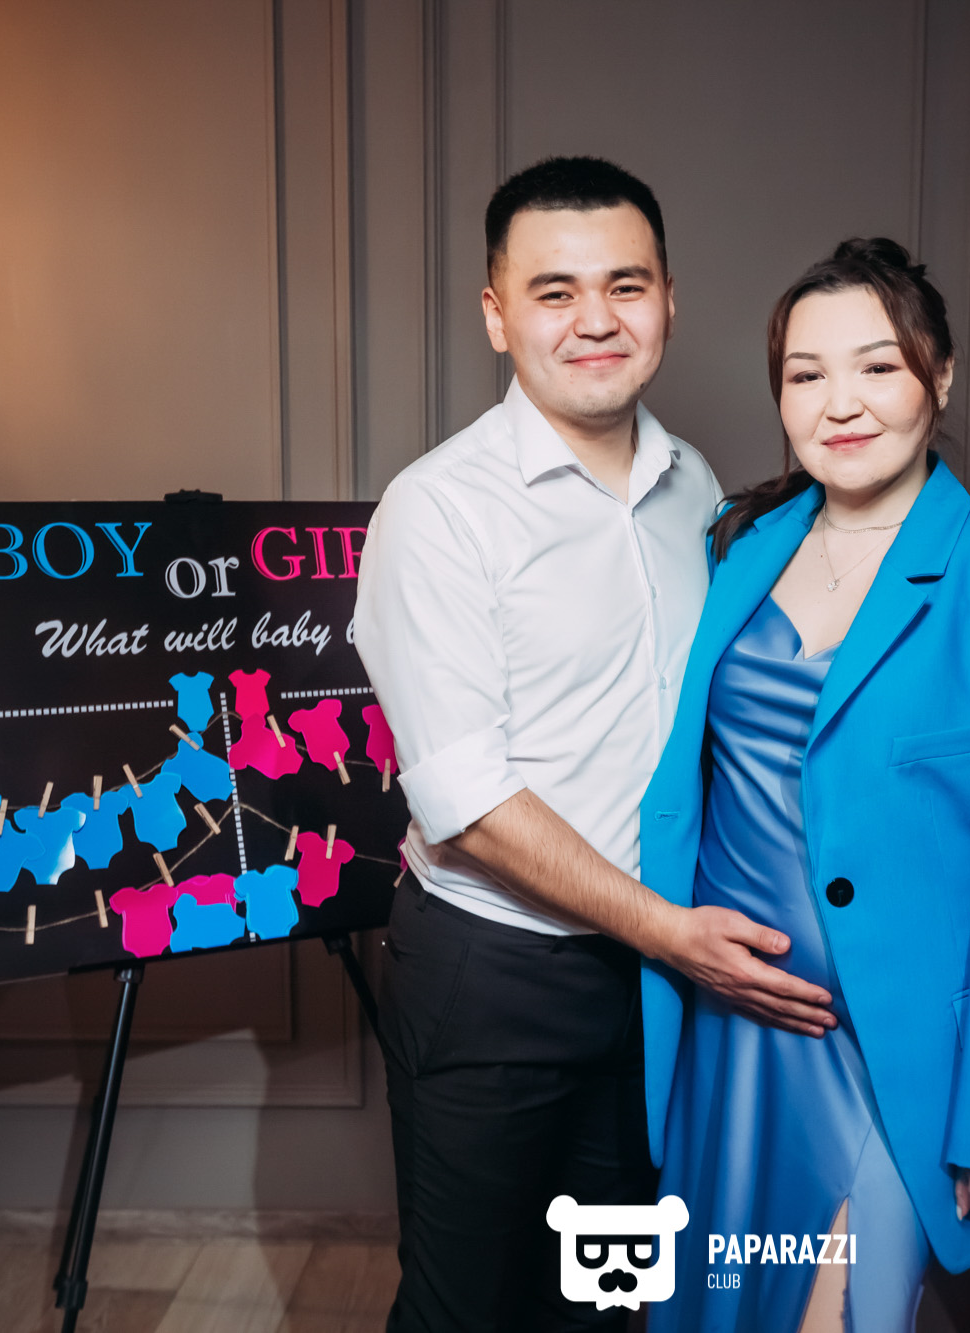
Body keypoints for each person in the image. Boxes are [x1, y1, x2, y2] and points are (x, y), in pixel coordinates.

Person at [354, 156, 839, 1331]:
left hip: (656, 982)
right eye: (553, 291)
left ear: (668, 301)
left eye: (624, 285)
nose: (594, 320)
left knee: (608, 1300)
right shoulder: (437, 509)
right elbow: (468, 800)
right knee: (466, 1310)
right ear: (496, 314)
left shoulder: (695, 485)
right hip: (495, 974)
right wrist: (669, 931)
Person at [641, 238, 970, 1331]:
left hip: (888, 1054)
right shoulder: (738, 546)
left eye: (877, 366)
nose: (839, 403)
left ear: (940, 376)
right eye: (806, 374)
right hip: (726, 1032)